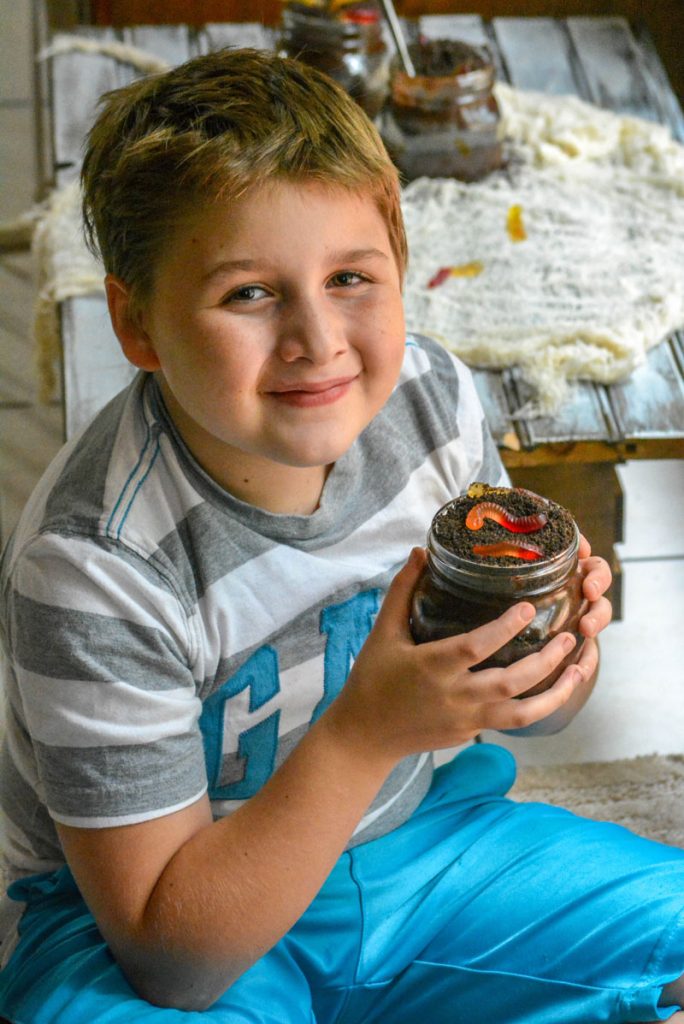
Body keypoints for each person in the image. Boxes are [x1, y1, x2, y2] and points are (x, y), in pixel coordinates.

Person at [0, 46, 682, 1024]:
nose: (316, 339)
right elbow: (169, 956)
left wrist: (544, 671)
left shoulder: (435, 403)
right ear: (137, 322)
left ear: (400, 260)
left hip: (425, 851)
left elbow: (511, 709)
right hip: (159, 928)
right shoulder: (95, 564)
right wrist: (365, 732)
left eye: (352, 277)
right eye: (249, 293)